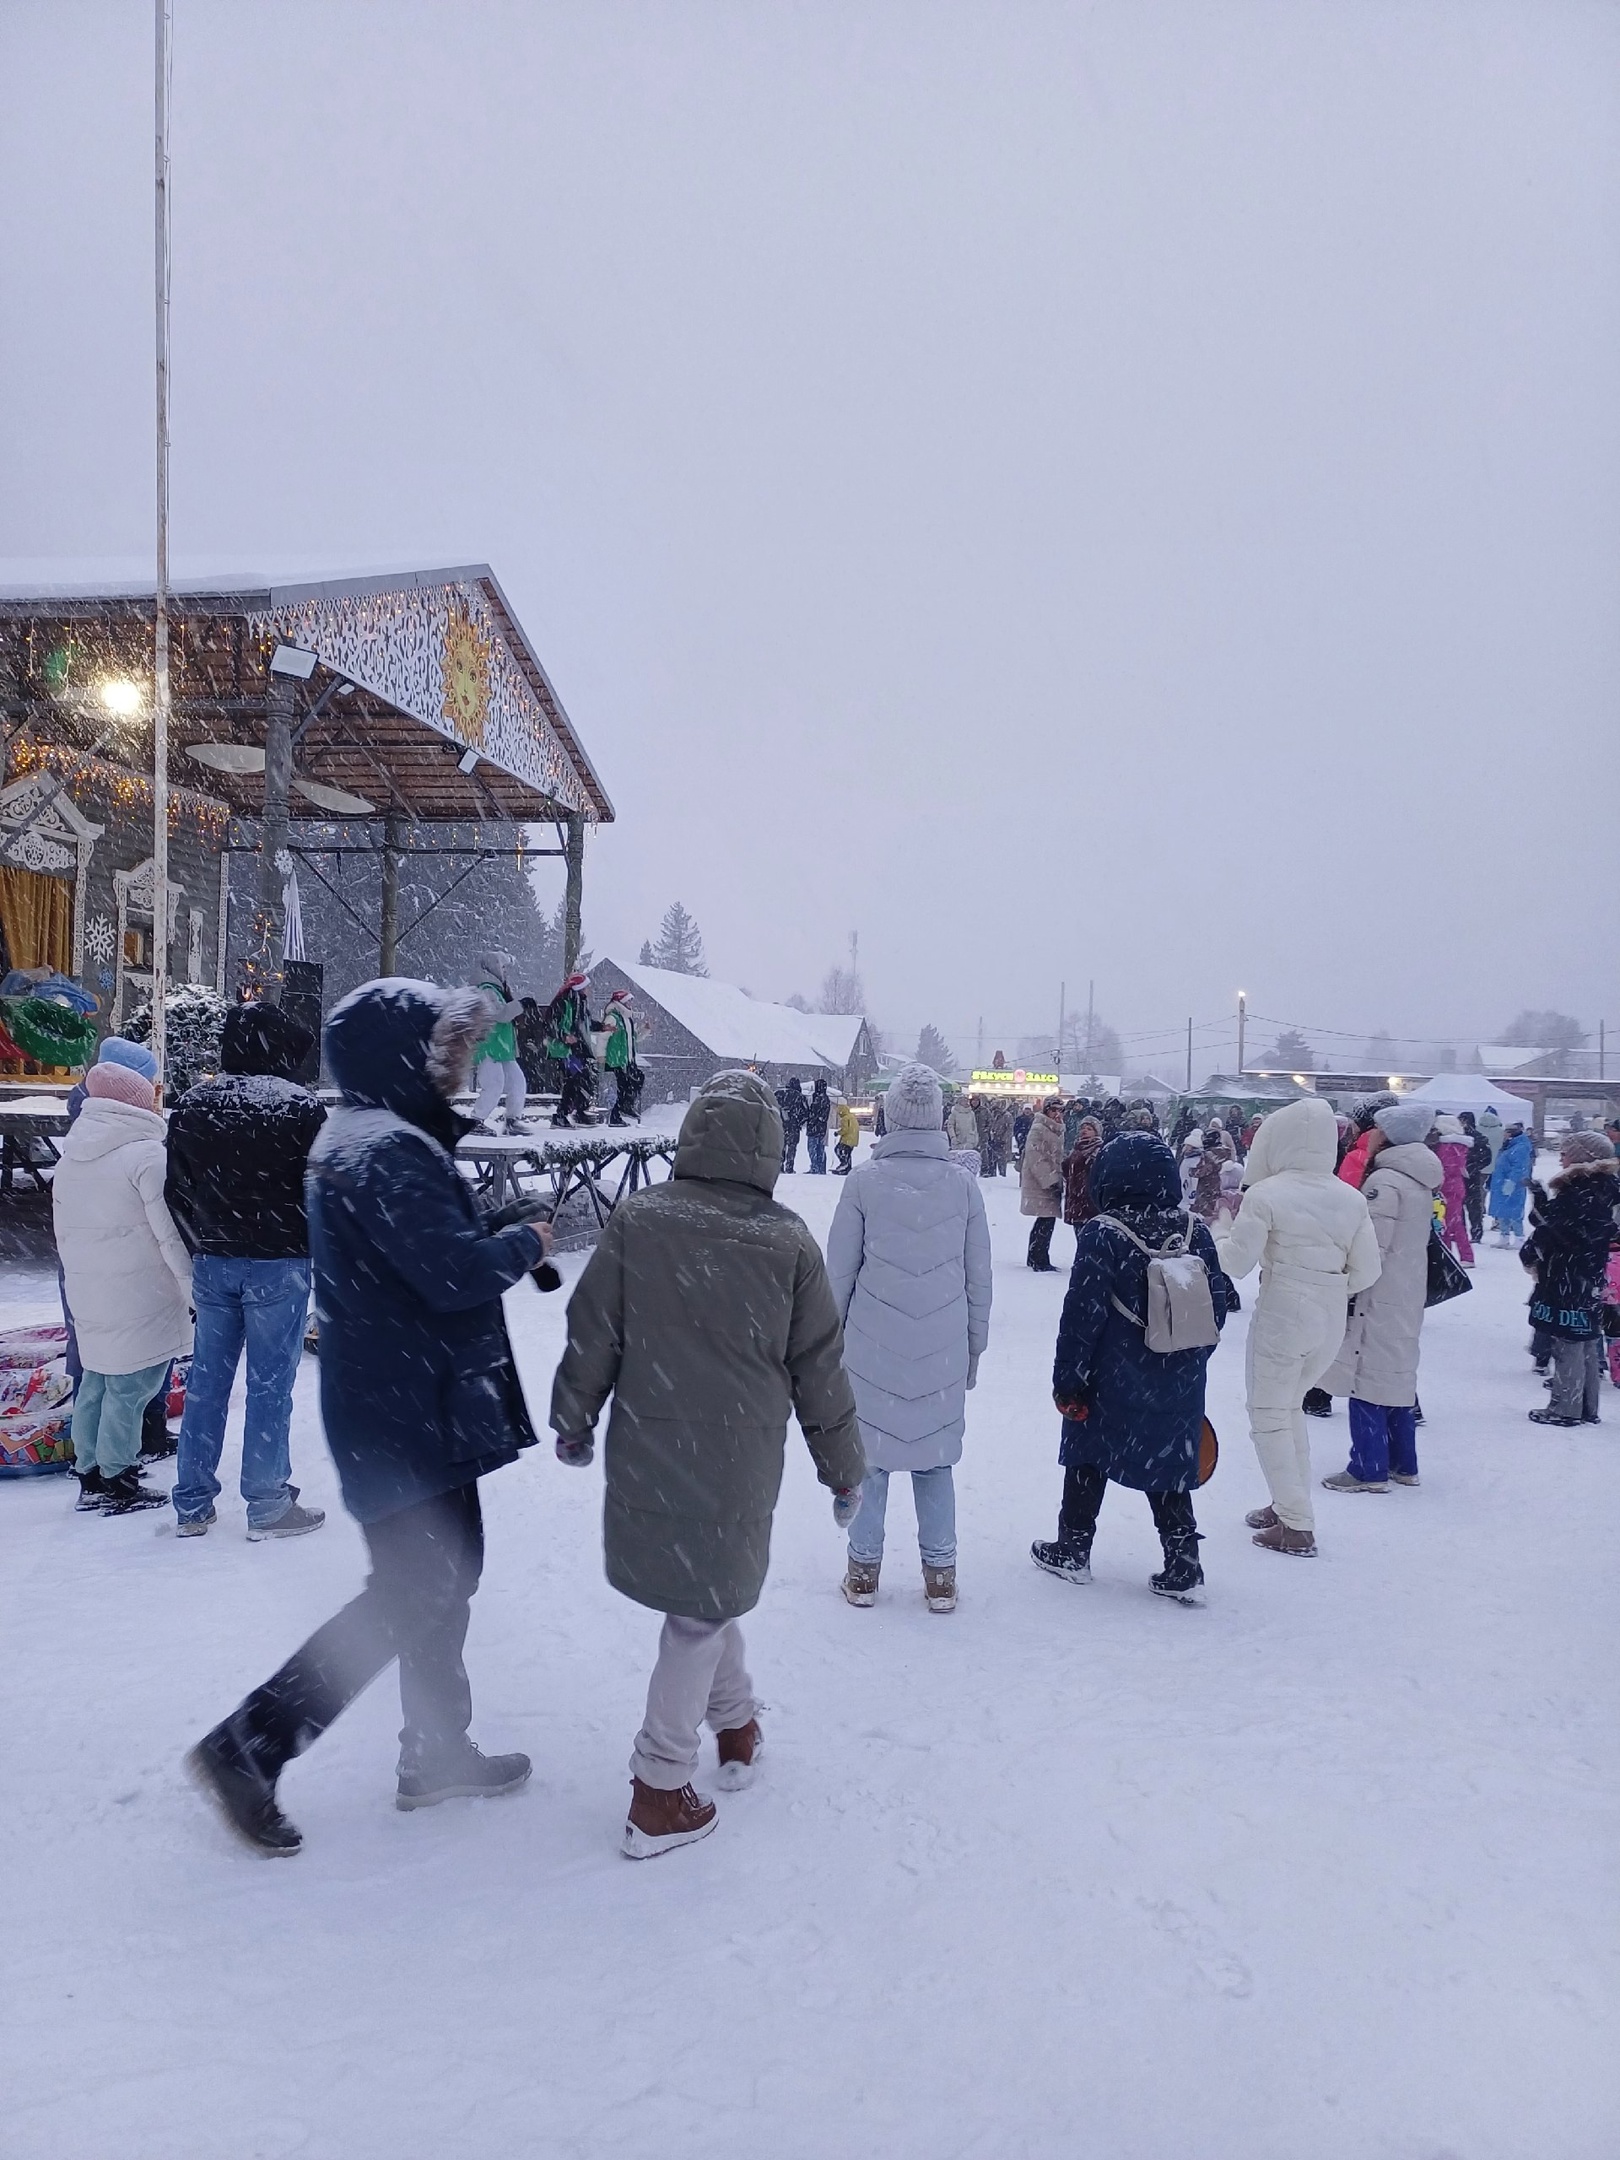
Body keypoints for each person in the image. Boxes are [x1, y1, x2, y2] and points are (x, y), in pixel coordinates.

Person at [186, 981, 558, 1855]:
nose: (459, 1068)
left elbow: (419, 1250)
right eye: (447, 1051)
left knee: (442, 1578)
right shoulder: (385, 1149)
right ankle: (251, 1745)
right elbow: (451, 1274)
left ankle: (435, 1748)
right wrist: (523, 1246)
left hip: (399, 1401)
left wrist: (490, 1222)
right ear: (406, 1057)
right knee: (413, 1590)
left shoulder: (365, 1139)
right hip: (406, 1411)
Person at [550, 1071, 865, 1858]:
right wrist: (843, 1466)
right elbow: (819, 1366)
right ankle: (659, 1789)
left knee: (704, 1597)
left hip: (649, 1447)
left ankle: (735, 1723)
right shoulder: (787, 1240)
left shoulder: (639, 1221)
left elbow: (595, 1327)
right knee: (699, 1609)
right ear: (769, 1149)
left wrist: (574, 1416)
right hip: (735, 1458)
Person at [1030, 1133, 1227, 1603]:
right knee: (1169, 1462)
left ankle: (1073, 1548)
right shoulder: (1194, 1229)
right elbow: (1216, 1306)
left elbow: (1083, 1315)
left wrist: (1069, 1381)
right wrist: (1184, 1360)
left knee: (1088, 1453)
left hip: (1111, 1375)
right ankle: (1183, 1561)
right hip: (1179, 1375)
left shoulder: (1104, 1233)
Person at [826, 1063, 991, 1614]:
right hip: (943, 1347)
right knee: (934, 1461)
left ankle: (864, 1572)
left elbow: (839, 1275)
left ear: (891, 1118)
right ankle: (940, 1576)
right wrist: (973, 1349)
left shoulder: (864, 1183)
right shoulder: (963, 1188)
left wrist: (829, 1349)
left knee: (869, 1459)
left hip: (870, 1349)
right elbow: (977, 1280)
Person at [165, 1001, 328, 1540]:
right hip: (279, 1262)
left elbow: (177, 1190)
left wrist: (204, 1241)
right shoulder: (301, 1110)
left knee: (208, 1385)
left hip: (214, 1259)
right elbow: (320, 1190)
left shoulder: (192, 1105)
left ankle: (191, 1502)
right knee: (269, 1386)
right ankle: (265, 1501)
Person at [1216, 1099, 1380, 1558]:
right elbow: (1367, 1272)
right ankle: (1288, 1502)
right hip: (1330, 1314)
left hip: (1284, 1308)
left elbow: (1236, 1263)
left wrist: (1218, 1229)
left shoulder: (1267, 1194)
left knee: (1268, 1414)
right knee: (1289, 1410)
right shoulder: (1351, 1198)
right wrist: (1327, 1282)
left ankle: (1296, 1524)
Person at [52, 1038, 194, 1516]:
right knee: (131, 1389)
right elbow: (170, 1237)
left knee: (95, 1382)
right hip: (141, 1294)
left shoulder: (72, 1156)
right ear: (140, 1101)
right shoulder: (146, 1157)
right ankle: (117, 1476)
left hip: (89, 1291)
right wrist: (195, 1290)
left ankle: (89, 1471)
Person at [1317, 1101, 1443, 1494]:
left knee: (1366, 1376)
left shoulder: (1384, 1182)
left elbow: (1371, 1246)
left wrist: (1342, 1274)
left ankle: (1368, 1467)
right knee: (1396, 1375)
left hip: (1379, 1293)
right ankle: (1404, 1462)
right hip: (1406, 1288)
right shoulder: (1418, 1179)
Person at [1519, 1131, 1618, 1427]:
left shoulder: (1580, 1188)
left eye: (1566, 1151)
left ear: (1582, 1156)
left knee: (1567, 1342)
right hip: (1587, 1272)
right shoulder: (1604, 1186)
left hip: (1567, 1272)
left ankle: (1565, 1408)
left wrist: (1535, 1246)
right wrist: (1540, 1199)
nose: (1561, 1156)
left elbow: (1558, 1230)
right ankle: (1587, 1406)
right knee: (1585, 1337)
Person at [470, 951, 530, 1133]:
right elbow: (501, 1014)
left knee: (518, 1083)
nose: (505, 972)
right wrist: (522, 1005)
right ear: (494, 968)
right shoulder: (486, 989)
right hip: (488, 1046)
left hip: (501, 1048)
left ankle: (512, 1121)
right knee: (494, 1084)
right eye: (503, 967)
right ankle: (476, 1121)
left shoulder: (496, 989)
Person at [543, 972, 597, 1127]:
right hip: (565, 1049)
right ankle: (565, 1114)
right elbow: (549, 1024)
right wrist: (564, 1036)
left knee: (579, 1080)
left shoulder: (580, 1004)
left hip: (576, 1049)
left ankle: (574, 1113)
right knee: (576, 1080)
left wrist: (601, 1027)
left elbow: (585, 1024)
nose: (589, 990)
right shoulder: (564, 1003)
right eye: (587, 987)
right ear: (579, 988)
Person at [1020, 1098, 1066, 1271]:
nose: (1057, 1113)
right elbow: (1035, 1156)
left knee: (1046, 1220)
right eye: (1053, 1110)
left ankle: (1036, 1257)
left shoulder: (1056, 1128)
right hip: (1042, 1182)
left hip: (1050, 1180)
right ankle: (1039, 1259)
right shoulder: (1039, 1128)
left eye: (1060, 1110)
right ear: (1046, 1110)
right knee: (1046, 1221)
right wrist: (1051, 1179)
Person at [1432, 1115, 1475, 1267]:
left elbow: (1446, 1168)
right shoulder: (1458, 1144)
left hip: (1447, 1187)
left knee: (1450, 1223)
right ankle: (1458, 1254)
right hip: (1454, 1187)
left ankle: (1460, 1255)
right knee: (1452, 1222)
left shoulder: (1447, 1146)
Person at [600, 987, 644, 1125]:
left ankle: (621, 1111)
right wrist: (601, 1055)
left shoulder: (626, 1019)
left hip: (628, 1059)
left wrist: (645, 1030)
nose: (630, 1004)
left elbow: (633, 1038)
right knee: (626, 1086)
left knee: (634, 1081)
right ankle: (622, 1110)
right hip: (618, 1059)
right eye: (628, 1001)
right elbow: (603, 1037)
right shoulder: (613, 1018)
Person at [1487, 1122, 1535, 1245]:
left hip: (1513, 1184)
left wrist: (1512, 1181)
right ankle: (1504, 1236)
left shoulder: (1520, 1147)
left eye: (1506, 1132)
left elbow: (1519, 1167)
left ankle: (1519, 1238)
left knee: (1514, 1212)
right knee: (1503, 1211)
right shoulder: (1509, 1146)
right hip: (1501, 1182)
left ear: (1510, 1133)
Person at [1062, 1114, 1104, 1230]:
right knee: (1079, 1233)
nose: (1084, 1130)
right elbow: (1067, 1170)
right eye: (1083, 1128)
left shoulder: (1098, 1149)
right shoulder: (1077, 1148)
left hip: (1089, 1200)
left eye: (1089, 1129)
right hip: (1076, 1200)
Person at [779, 1076, 808, 1172]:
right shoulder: (800, 1097)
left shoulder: (780, 1094)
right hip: (794, 1126)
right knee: (792, 1147)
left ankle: (779, 1166)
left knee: (780, 1146)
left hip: (781, 1126)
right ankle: (789, 1166)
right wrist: (799, 1122)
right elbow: (806, 1113)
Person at [804, 1076, 831, 1172]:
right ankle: (820, 1168)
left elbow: (813, 1113)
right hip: (821, 1129)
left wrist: (811, 1119)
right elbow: (824, 1116)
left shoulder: (816, 1098)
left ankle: (815, 1167)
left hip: (813, 1128)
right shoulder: (826, 1099)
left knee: (813, 1149)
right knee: (820, 1149)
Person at [833, 1095, 859, 1173]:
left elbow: (845, 1129)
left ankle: (844, 1164)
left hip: (847, 1139)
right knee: (848, 1154)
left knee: (838, 1150)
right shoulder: (852, 1117)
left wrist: (838, 1133)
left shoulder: (844, 1119)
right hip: (853, 1139)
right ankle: (848, 1168)